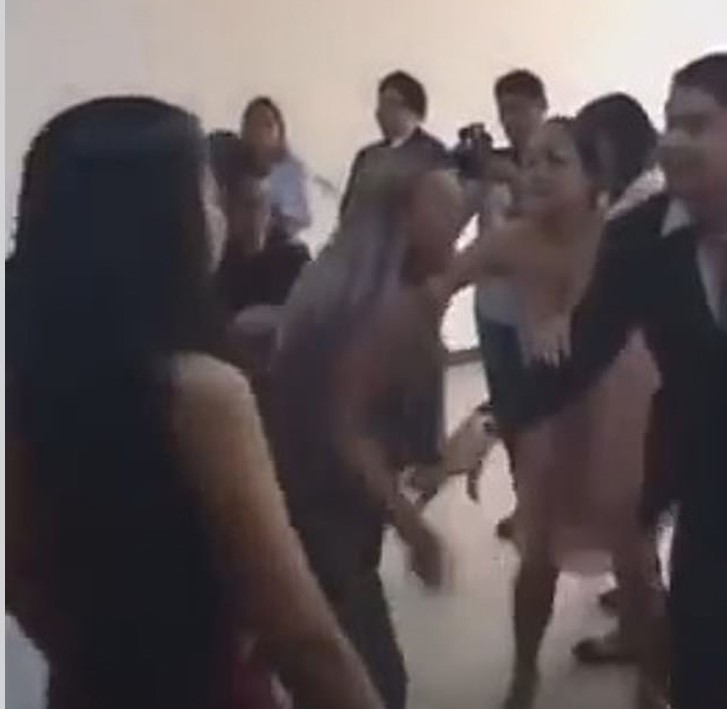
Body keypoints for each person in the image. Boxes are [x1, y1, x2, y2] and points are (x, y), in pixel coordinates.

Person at [5, 96, 385, 709]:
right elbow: (303, 639)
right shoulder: (198, 392)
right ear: (157, 222)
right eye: (207, 193)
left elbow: (19, 579)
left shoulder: (28, 373)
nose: (221, 214)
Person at [437, 52, 727, 709]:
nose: (673, 141)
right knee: (702, 658)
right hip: (708, 491)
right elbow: (584, 351)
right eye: (669, 123)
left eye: (697, 124)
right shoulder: (641, 239)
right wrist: (492, 419)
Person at [429, 116, 664, 708]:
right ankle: (525, 671)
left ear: (594, 178)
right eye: (530, 160)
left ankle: (652, 676)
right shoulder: (512, 239)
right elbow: (439, 283)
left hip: (620, 403)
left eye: (556, 161)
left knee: (634, 556)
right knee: (539, 551)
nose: (535, 172)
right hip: (549, 413)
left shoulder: (617, 236)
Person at [269, 167, 467, 709]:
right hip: (328, 518)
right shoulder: (385, 311)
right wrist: (416, 530)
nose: (460, 221)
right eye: (447, 210)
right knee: (374, 685)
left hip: (306, 506)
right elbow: (347, 433)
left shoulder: (333, 287)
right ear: (402, 219)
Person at [570, 93, 667, 666]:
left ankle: (641, 629)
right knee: (636, 511)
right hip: (634, 373)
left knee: (630, 508)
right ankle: (644, 604)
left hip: (637, 377)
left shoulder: (642, 210)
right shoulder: (634, 202)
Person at [472, 69, 549, 539]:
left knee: (544, 411)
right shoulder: (493, 165)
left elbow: (558, 225)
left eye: (518, 108)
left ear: (541, 107)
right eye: (503, 110)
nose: (510, 120)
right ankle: (527, 505)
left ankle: (554, 506)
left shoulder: (557, 162)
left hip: (538, 307)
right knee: (509, 412)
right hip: (492, 305)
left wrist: (517, 181)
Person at [339, 71, 449, 220]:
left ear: (415, 112)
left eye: (390, 104)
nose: (380, 112)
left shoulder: (434, 155)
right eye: (380, 104)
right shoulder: (367, 156)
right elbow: (347, 210)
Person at [240, 96, 312, 245]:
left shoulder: (291, 169)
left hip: (280, 244)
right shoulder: (233, 163)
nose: (261, 132)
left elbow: (301, 218)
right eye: (254, 125)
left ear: (279, 130)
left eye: (267, 125)